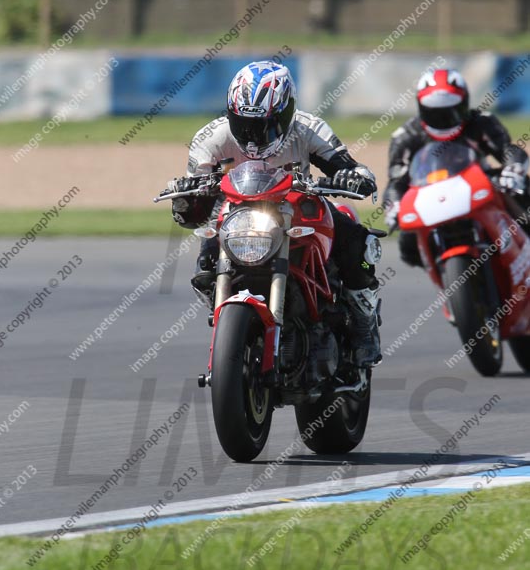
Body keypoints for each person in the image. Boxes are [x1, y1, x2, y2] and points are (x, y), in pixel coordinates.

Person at [169, 60, 382, 367]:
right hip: (237, 217)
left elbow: (347, 165)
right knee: (204, 266)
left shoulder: (309, 128)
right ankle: (230, 330)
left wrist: (353, 176)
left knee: (357, 245)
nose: (253, 137)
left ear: (286, 113)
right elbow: (193, 211)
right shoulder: (210, 139)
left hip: (299, 210)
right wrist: (186, 197)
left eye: (263, 126)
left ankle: (364, 318)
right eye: (244, 125)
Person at [383, 67, 530, 267]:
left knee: (522, 189)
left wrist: (514, 170)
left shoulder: (482, 122)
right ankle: (445, 276)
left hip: (479, 187)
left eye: (452, 109)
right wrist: (394, 207)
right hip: (428, 196)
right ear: (421, 107)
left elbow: (508, 151)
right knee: (408, 247)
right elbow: (396, 181)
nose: (445, 117)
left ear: (465, 103)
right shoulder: (406, 136)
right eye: (435, 111)